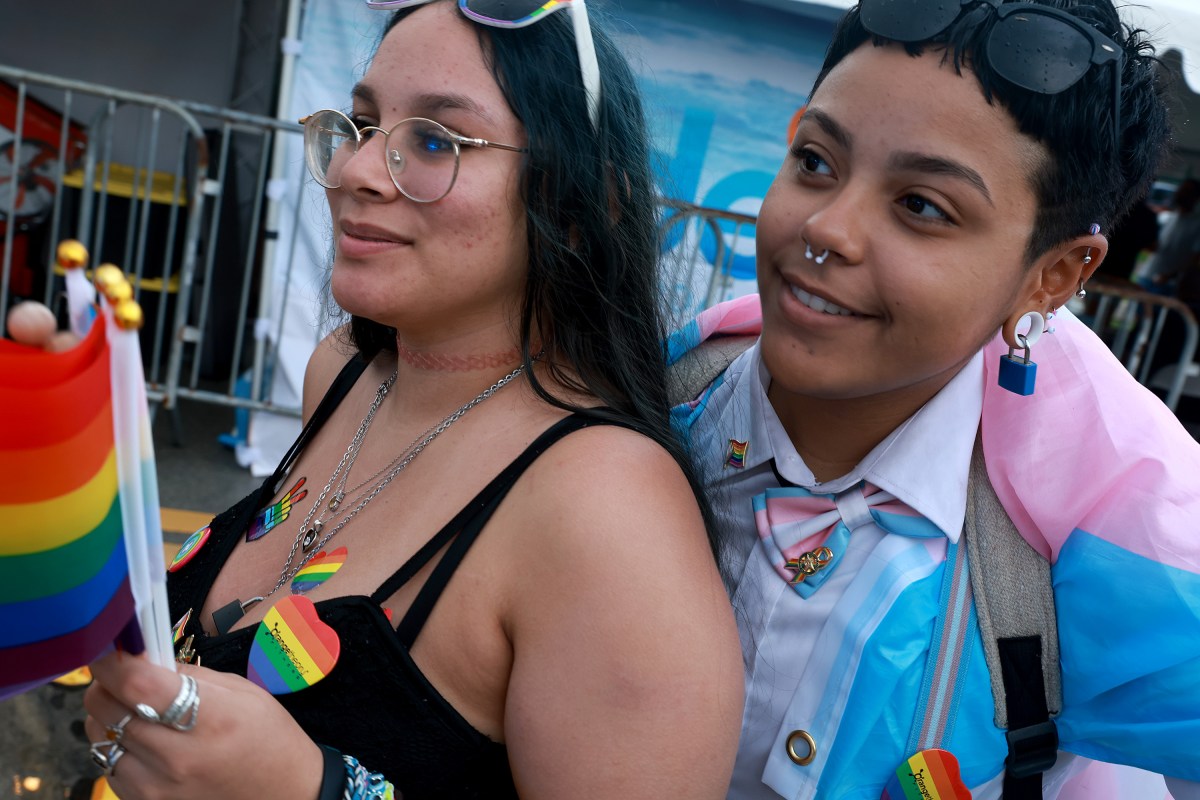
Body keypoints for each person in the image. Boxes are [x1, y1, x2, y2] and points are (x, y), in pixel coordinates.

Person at [80, 2, 743, 798]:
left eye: (436, 141)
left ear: (579, 207)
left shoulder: (606, 507)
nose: (356, 172)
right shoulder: (343, 375)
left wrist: (310, 788)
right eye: (361, 126)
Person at [667, 1, 1200, 798]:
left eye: (922, 207)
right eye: (816, 161)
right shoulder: (657, 399)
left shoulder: (1114, 534)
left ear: (1051, 276)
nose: (828, 228)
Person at [1140, 178, 1200, 294]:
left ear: (1196, 197)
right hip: (1147, 275)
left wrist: (1169, 276)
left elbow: (1194, 259)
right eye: (1181, 190)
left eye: (1186, 191)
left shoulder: (1197, 225)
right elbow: (1158, 246)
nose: (1180, 193)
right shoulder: (1170, 217)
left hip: (1167, 284)